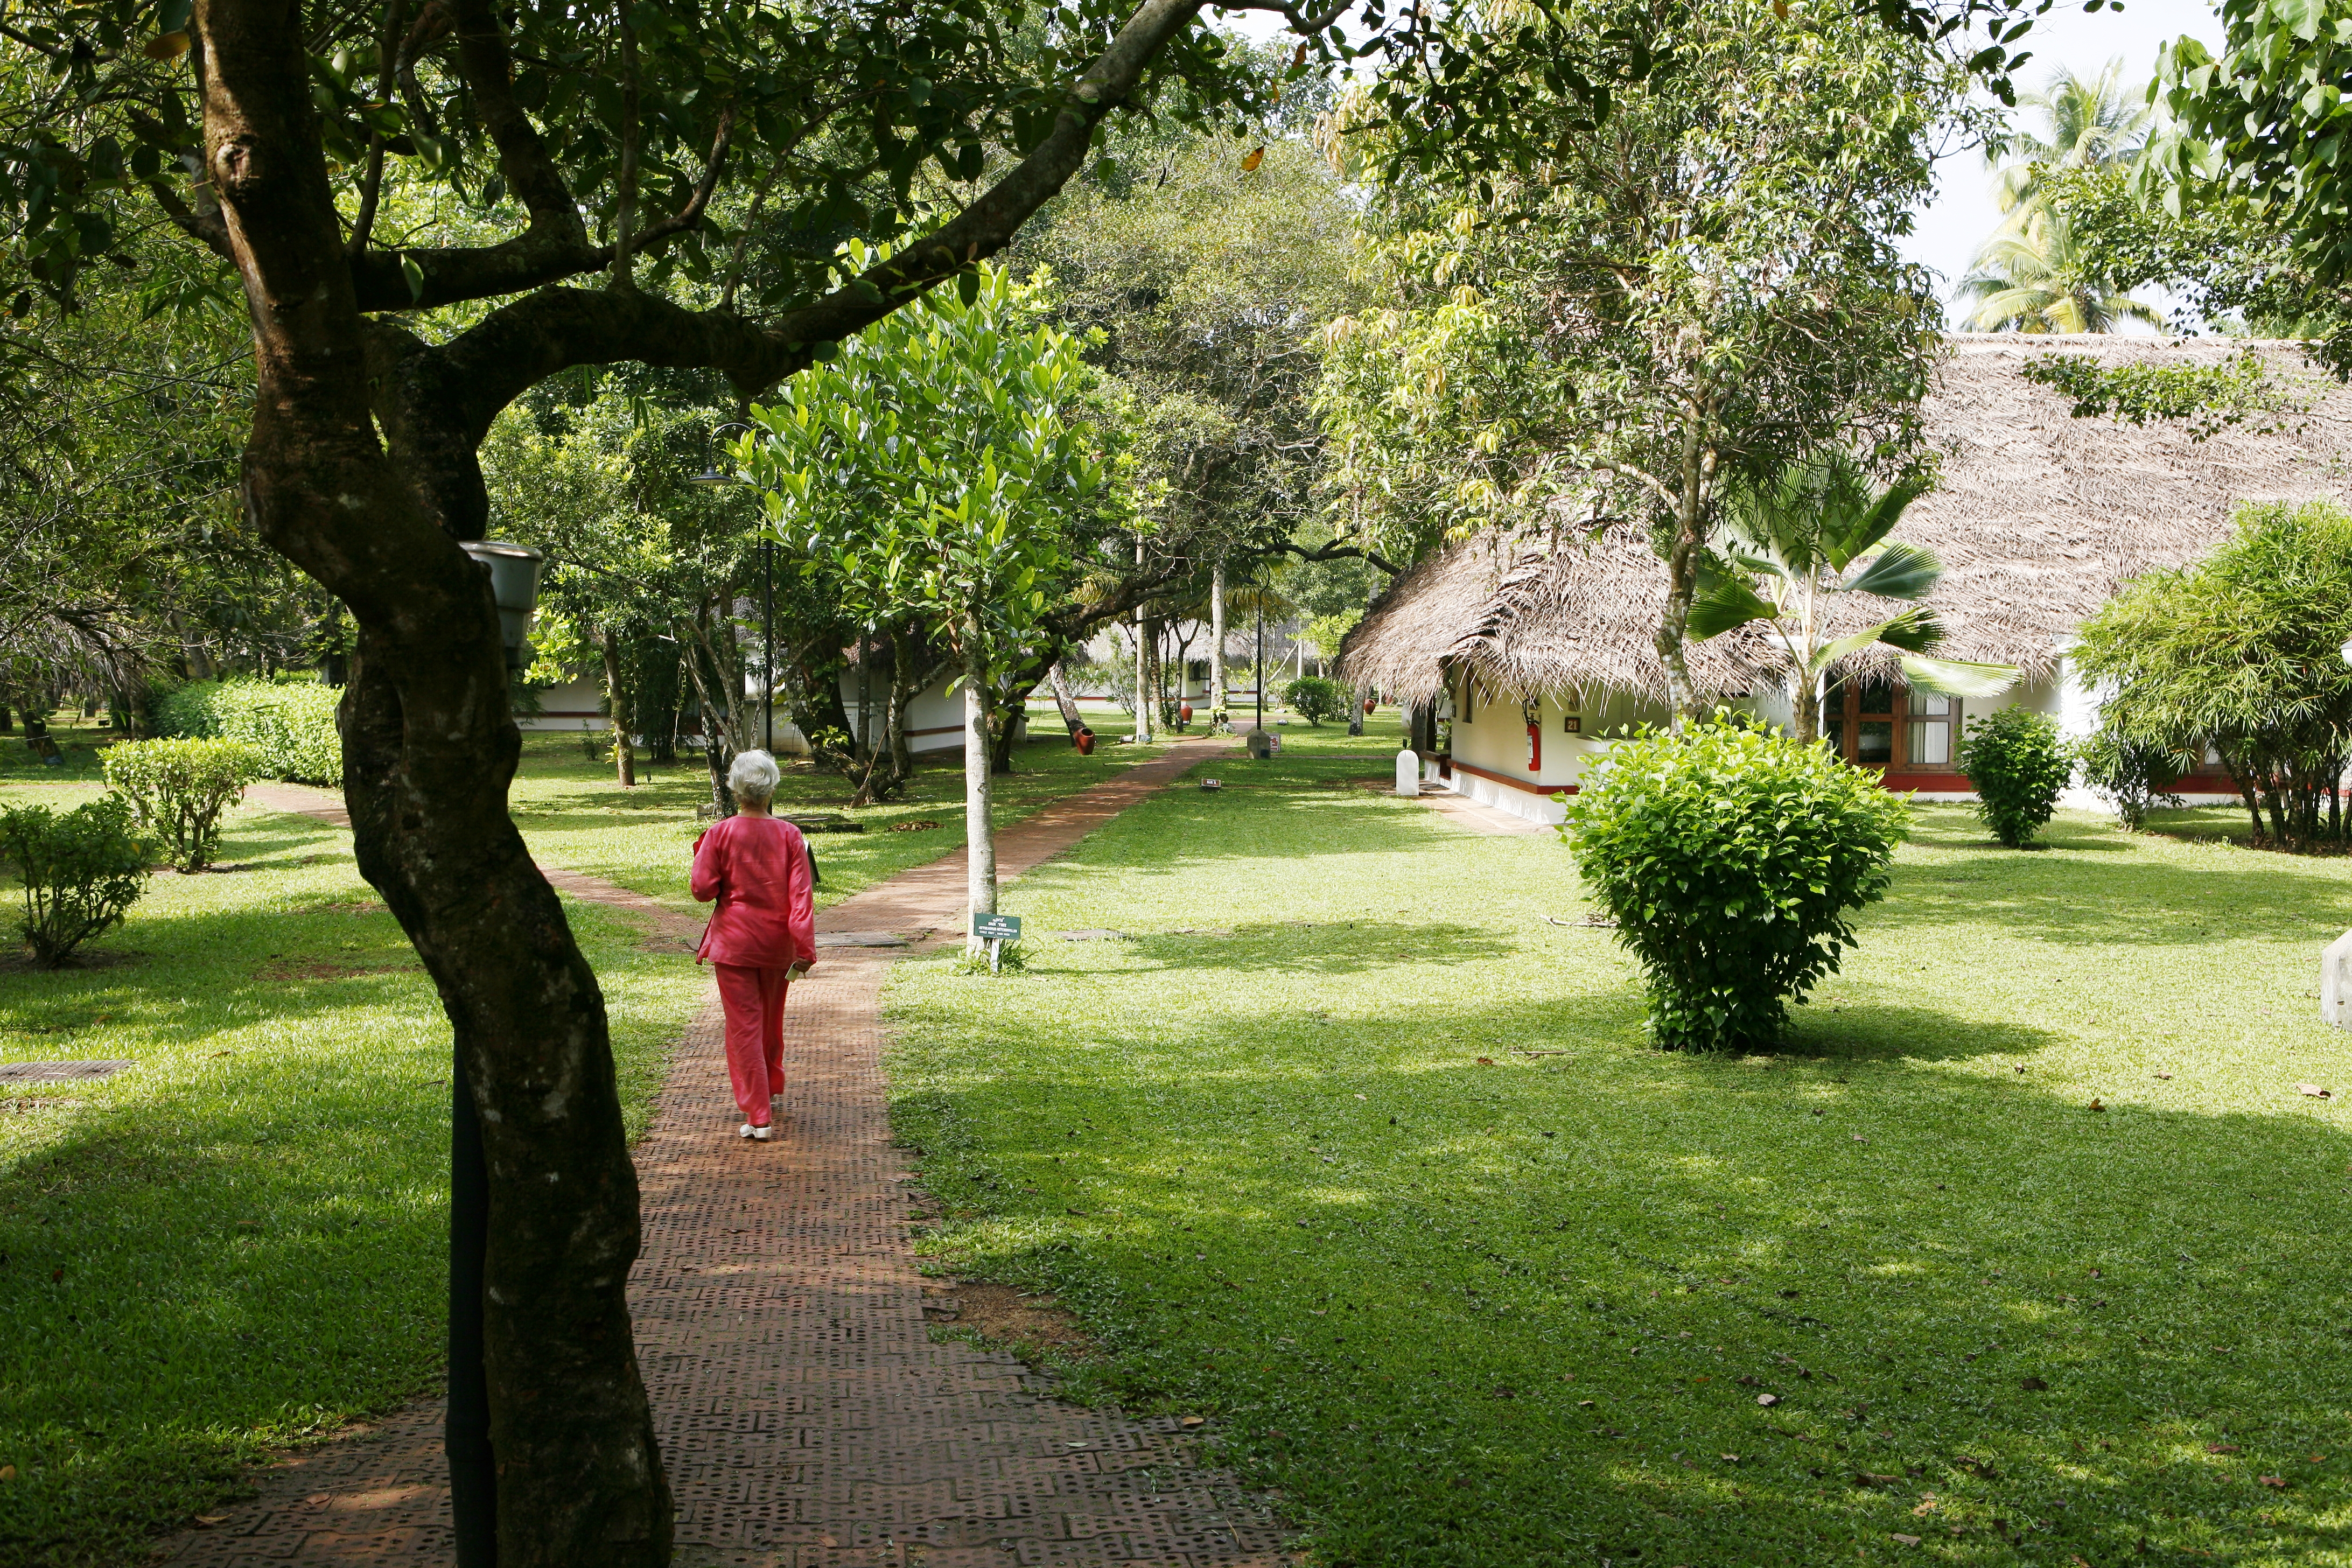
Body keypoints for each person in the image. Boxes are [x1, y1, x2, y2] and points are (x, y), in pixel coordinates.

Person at [689, 750, 816, 1142]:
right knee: (770, 1019)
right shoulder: (790, 835)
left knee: (744, 1027)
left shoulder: (720, 833)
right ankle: (771, 1085)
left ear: (734, 788)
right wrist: (805, 949)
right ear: (772, 788)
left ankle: (758, 1114)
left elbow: (701, 889)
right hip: (777, 946)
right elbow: (801, 897)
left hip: (734, 945)